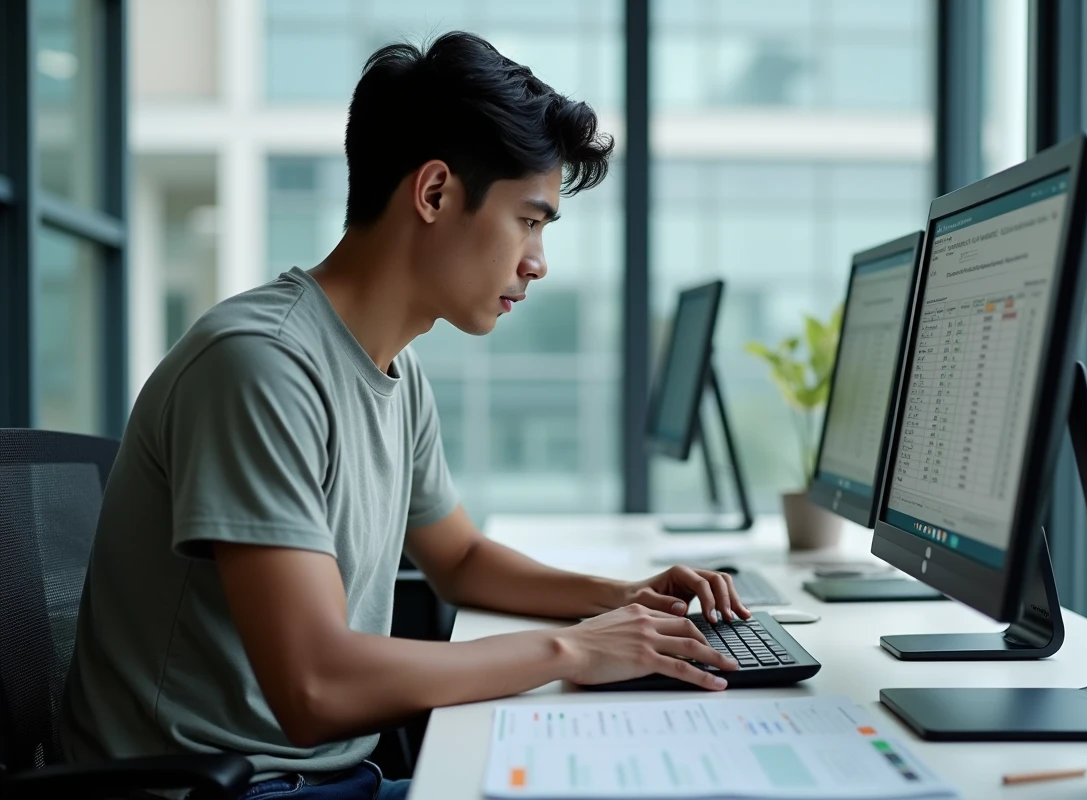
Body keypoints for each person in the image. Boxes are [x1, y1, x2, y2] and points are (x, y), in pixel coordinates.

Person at [62, 31, 751, 800]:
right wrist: (575, 650)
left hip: (325, 777)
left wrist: (622, 599)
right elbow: (315, 686)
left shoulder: (395, 366)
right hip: (225, 790)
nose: (538, 262)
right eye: (529, 220)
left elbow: (459, 559)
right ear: (434, 194)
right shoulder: (261, 365)